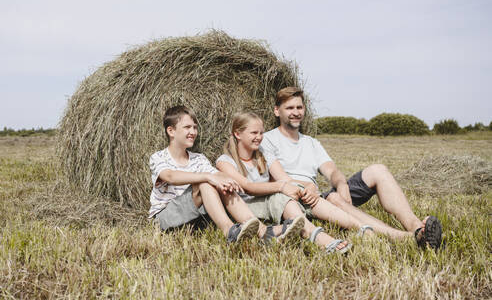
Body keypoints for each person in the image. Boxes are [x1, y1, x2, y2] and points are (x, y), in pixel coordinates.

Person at [259, 87, 443, 249]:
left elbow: (332, 171)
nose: (295, 112)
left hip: (317, 195)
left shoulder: (311, 143)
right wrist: (308, 186)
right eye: (289, 108)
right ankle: (404, 238)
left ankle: (417, 227)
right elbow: (279, 179)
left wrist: (341, 184)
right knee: (333, 198)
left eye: (299, 107)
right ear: (277, 111)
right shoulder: (267, 139)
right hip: (297, 200)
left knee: (378, 170)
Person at [216, 112, 374, 254]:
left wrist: (309, 187)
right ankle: (318, 237)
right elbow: (249, 188)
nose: (259, 137)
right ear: (237, 134)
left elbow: (286, 179)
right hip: (247, 207)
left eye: (261, 132)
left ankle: (360, 227)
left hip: (268, 200)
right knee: (282, 196)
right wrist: (282, 187)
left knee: (301, 193)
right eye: (254, 133)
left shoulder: (264, 156)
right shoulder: (225, 162)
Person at [149, 105, 301, 243]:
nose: (193, 132)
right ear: (171, 131)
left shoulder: (199, 158)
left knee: (221, 184)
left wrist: (227, 179)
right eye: (187, 127)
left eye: (195, 127)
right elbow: (170, 176)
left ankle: (262, 231)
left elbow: (217, 176)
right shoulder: (159, 157)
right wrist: (209, 177)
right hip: (167, 217)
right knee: (205, 182)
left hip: (197, 218)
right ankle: (229, 231)